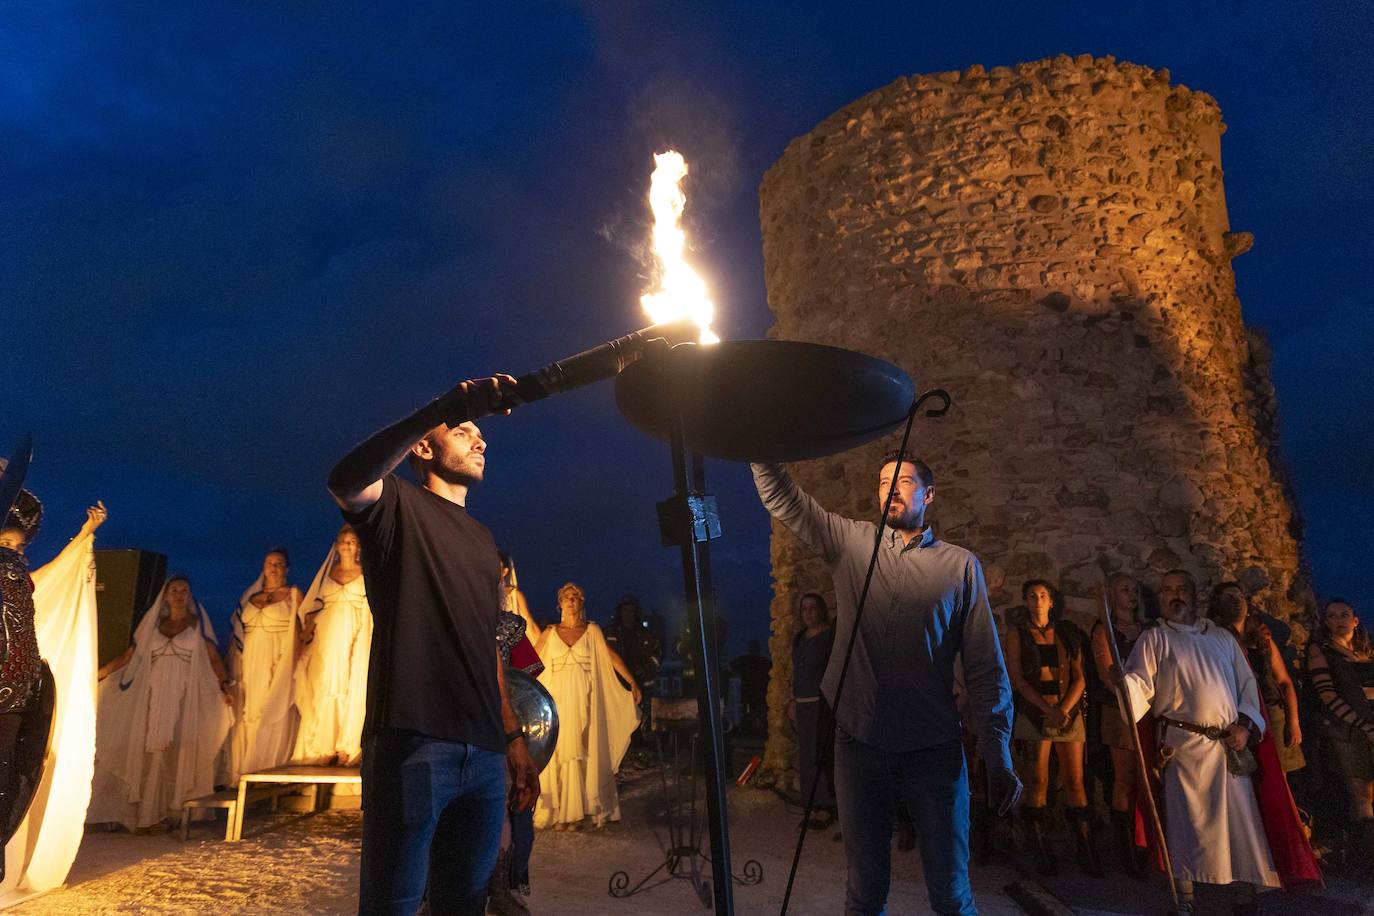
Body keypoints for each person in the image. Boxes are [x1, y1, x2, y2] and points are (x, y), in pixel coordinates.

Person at [751, 452, 1019, 916]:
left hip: (932, 750)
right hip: (860, 746)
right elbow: (784, 499)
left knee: (952, 895)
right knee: (864, 896)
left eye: (905, 481)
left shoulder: (960, 568)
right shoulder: (852, 543)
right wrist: (757, 443)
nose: (891, 489)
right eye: (882, 482)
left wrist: (997, 753)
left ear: (929, 495)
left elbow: (984, 668)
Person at [327, 373, 538, 915]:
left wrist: (512, 739)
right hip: (414, 743)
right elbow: (345, 480)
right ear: (424, 446)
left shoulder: (485, 541)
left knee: (464, 904)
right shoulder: (395, 505)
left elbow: (488, 646)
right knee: (393, 903)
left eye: (478, 432)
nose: (480, 439)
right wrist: (441, 406)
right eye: (462, 431)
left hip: (485, 753)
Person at [1116, 569, 1279, 915]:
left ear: (1194, 594)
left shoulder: (1221, 637)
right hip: (1183, 747)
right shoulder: (1155, 639)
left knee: (1239, 823)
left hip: (1227, 744)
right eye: (1168, 590)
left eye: (1182, 589)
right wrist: (1123, 683)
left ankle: (1243, 898)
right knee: (1185, 824)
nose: (1175, 596)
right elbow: (1140, 688)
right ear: (1160, 598)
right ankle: (1185, 901)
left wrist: (1246, 727)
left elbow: (1248, 687)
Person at [0, 493, 105, 891]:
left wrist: (85, 533)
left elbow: (57, 571)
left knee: (7, 769)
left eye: (17, 546)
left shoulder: (25, 582)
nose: (11, 552)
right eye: (4, 543)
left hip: (16, 684)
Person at [88, 576, 233, 831]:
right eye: (174, 590)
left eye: (184, 591)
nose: (179, 595)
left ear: (189, 595)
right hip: (154, 695)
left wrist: (224, 686)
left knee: (175, 748)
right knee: (150, 748)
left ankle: (170, 810)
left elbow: (214, 659)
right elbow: (129, 656)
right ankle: (146, 813)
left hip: (183, 697)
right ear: (165, 596)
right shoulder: (153, 626)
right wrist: (97, 675)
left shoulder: (197, 625)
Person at [1006, 578, 1098, 877]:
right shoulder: (1017, 634)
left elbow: (1080, 676)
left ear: (1052, 601)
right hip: (1035, 714)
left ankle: (1085, 848)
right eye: (1031, 595)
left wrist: (1064, 710)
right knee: (1038, 780)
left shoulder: (1067, 633)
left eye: (1043, 595)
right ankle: (1041, 848)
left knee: (1075, 780)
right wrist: (1047, 710)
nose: (1038, 601)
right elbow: (1018, 679)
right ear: (1025, 601)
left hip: (1067, 713)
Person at [533, 582, 640, 829]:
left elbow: (610, 656)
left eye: (575, 597)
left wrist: (631, 681)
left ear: (582, 603)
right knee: (559, 750)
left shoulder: (592, 631)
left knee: (582, 749)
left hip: (584, 698)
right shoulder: (550, 632)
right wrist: (514, 684)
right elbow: (531, 659)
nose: (571, 601)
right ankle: (560, 813)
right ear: (559, 604)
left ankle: (579, 811)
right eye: (566, 597)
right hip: (557, 699)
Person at [487, 573, 546, 916]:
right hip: (455, 724)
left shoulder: (510, 628)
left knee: (508, 809)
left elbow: (527, 688)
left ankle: (501, 888)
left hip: (501, 730)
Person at [1304, 598, 1374, 875]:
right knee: (1359, 792)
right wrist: (1360, 724)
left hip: (1370, 726)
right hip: (1344, 729)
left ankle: (1362, 854)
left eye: (1345, 614)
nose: (1340, 620)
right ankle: (1367, 862)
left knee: (1370, 790)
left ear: (1355, 621)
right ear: (1326, 622)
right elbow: (1327, 695)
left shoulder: (1365, 655)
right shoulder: (1321, 652)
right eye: (1333, 616)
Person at [293, 525, 372, 766]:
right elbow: (312, 609)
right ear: (337, 545)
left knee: (353, 687)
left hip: (358, 635)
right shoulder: (327, 575)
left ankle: (348, 744)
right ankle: (324, 744)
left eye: (352, 541)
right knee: (325, 687)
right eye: (343, 540)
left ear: (358, 546)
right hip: (328, 638)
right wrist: (305, 637)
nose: (347, 544)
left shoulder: (365, 573)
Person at [1090, 572, 1152, 877]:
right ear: (1113, 596)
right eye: (1125, 589)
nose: (1132, 594)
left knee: (1148, 781)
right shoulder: (1105, 631)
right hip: (1120, 712)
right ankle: (1127, 850)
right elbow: (1107, 674)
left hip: (1149, 712)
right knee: (1125, 780)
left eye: (1134, 588)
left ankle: (1147, 844)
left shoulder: (1148, 631)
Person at [1208, 583, 1304, 773]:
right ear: (1217, 605)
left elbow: (1284, 681)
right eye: (1229, 598)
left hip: (1271, 712)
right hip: (1237, 716)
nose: (1237, 602)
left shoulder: (1263, 639)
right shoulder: (1214, 640)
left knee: (1279, 776)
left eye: (1240, 597)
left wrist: (1293, 721)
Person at [225, 547, 301, 783]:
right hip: (251, 659)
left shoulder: (293, 593)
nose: (274, 568)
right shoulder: (250, 597)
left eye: (279, 564)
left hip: (279, 656)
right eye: (270, 563)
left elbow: (304, 626)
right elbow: (237, 634)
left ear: (286, 568)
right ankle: (248, 765)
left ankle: (271, 767)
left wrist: (294, 659)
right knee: (252, 708)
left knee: (273, 706)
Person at [790, 592, 836, 829]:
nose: (808, 613)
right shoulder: (799, 639)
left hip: (820, 705)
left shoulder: (829, 637)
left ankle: (827, 806)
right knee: (806, 756)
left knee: (822, 756)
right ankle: (812, 804)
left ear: (820, 611)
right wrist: (792, 701)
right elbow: (796, 672)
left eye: (812, 608)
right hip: (803, 705)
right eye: (804, 609)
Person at [603, 594, 660, 726]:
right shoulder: (609, 633)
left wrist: (646, 669)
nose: (628, 614)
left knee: (639, 723)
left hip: (642, 686)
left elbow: (657, 656)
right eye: (625, 610)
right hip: (615, 686)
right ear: (620, 612)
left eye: (631, 610)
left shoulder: (645, 634)